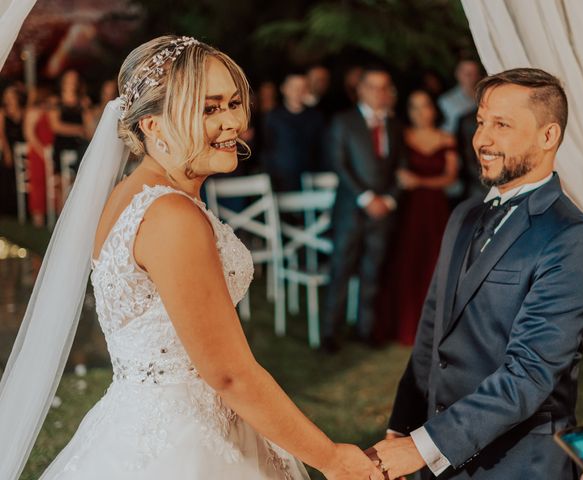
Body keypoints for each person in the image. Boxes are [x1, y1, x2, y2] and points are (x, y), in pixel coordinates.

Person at [0, 36, 383, 480]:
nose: (233, 122)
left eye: (234, 103)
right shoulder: (171, 216)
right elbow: (228, 374)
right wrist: (333, 459)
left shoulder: (134, 196)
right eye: (208, 108)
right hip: (184, 447)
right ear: (153, 126)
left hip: (143, 421)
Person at [369, 68, 583, 479]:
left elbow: (530, 374)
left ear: (548, 136)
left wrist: (423, 447)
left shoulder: (572, 239)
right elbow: (432, 331)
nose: (482, 139)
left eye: (501, 125)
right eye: (481, 122)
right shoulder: (463, 215)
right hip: (436, 460)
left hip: (515, 464)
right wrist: (403, 427)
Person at [322, 66, 405, 351]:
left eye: (385, 87)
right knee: (341, 270)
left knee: (373, 271)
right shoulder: (343, 122)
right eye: (374, 87)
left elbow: (401, 169)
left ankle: (366, 329)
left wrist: (390, 199)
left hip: (383, 211)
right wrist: (367, 197)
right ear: (361, 89)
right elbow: (339, 163)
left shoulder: (395, 124)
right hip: (351, 208)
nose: (380, 93)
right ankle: (330, 334)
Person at [376, 89, 458, 346]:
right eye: (413, 107)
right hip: (409, 208)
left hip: (435, 208)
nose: (419, 112)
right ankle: (405, 325)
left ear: (434, 109)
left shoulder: (446, 138)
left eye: (424, 106)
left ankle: (437, 327)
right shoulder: (402, 136)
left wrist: (420, 181)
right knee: (408, 260)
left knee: (435, 261)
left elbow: (450, 177)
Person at [262, 72, 324, 191]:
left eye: (302, 87)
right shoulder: (273, 117)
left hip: (312, 180)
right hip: (281, 181)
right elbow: (267, 149)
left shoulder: (316, 116)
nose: (298, 91)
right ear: (284, 89)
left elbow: (321, 149)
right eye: (293, 87)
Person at [23, 85, 56, 227]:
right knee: (38, 186)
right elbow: (29, 135)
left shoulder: (49, 111)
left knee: (52, 186)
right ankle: (39, 223)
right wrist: (41, 152)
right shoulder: (33, 112)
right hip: (38, 154)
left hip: (49, 153)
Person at [50, 69, 92, 175]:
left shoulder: (82, 102)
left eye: (75, 79)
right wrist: (77, 130)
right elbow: (56, 126)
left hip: (79, 140)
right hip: (64, 141)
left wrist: (87, 109)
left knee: (88, 146)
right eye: (70, 79)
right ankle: (78, 175)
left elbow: (89, 126)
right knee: (85, 147)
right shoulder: (56, 101)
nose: (72, 82)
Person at [438, 58, 482, 134]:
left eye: (473, 73)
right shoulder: (445, 100)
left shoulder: (485, 95)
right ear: (457, 73)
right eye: (465, 73)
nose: (469, 77)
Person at [0, 84, 25, 216]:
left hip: (22, 148)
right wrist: (7, 152)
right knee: (7, 176)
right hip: (9, 147)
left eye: (11, 96)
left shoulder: (23, 111)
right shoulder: (3, 113)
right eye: (6, 96)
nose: (8, 99)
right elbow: (2, 134)